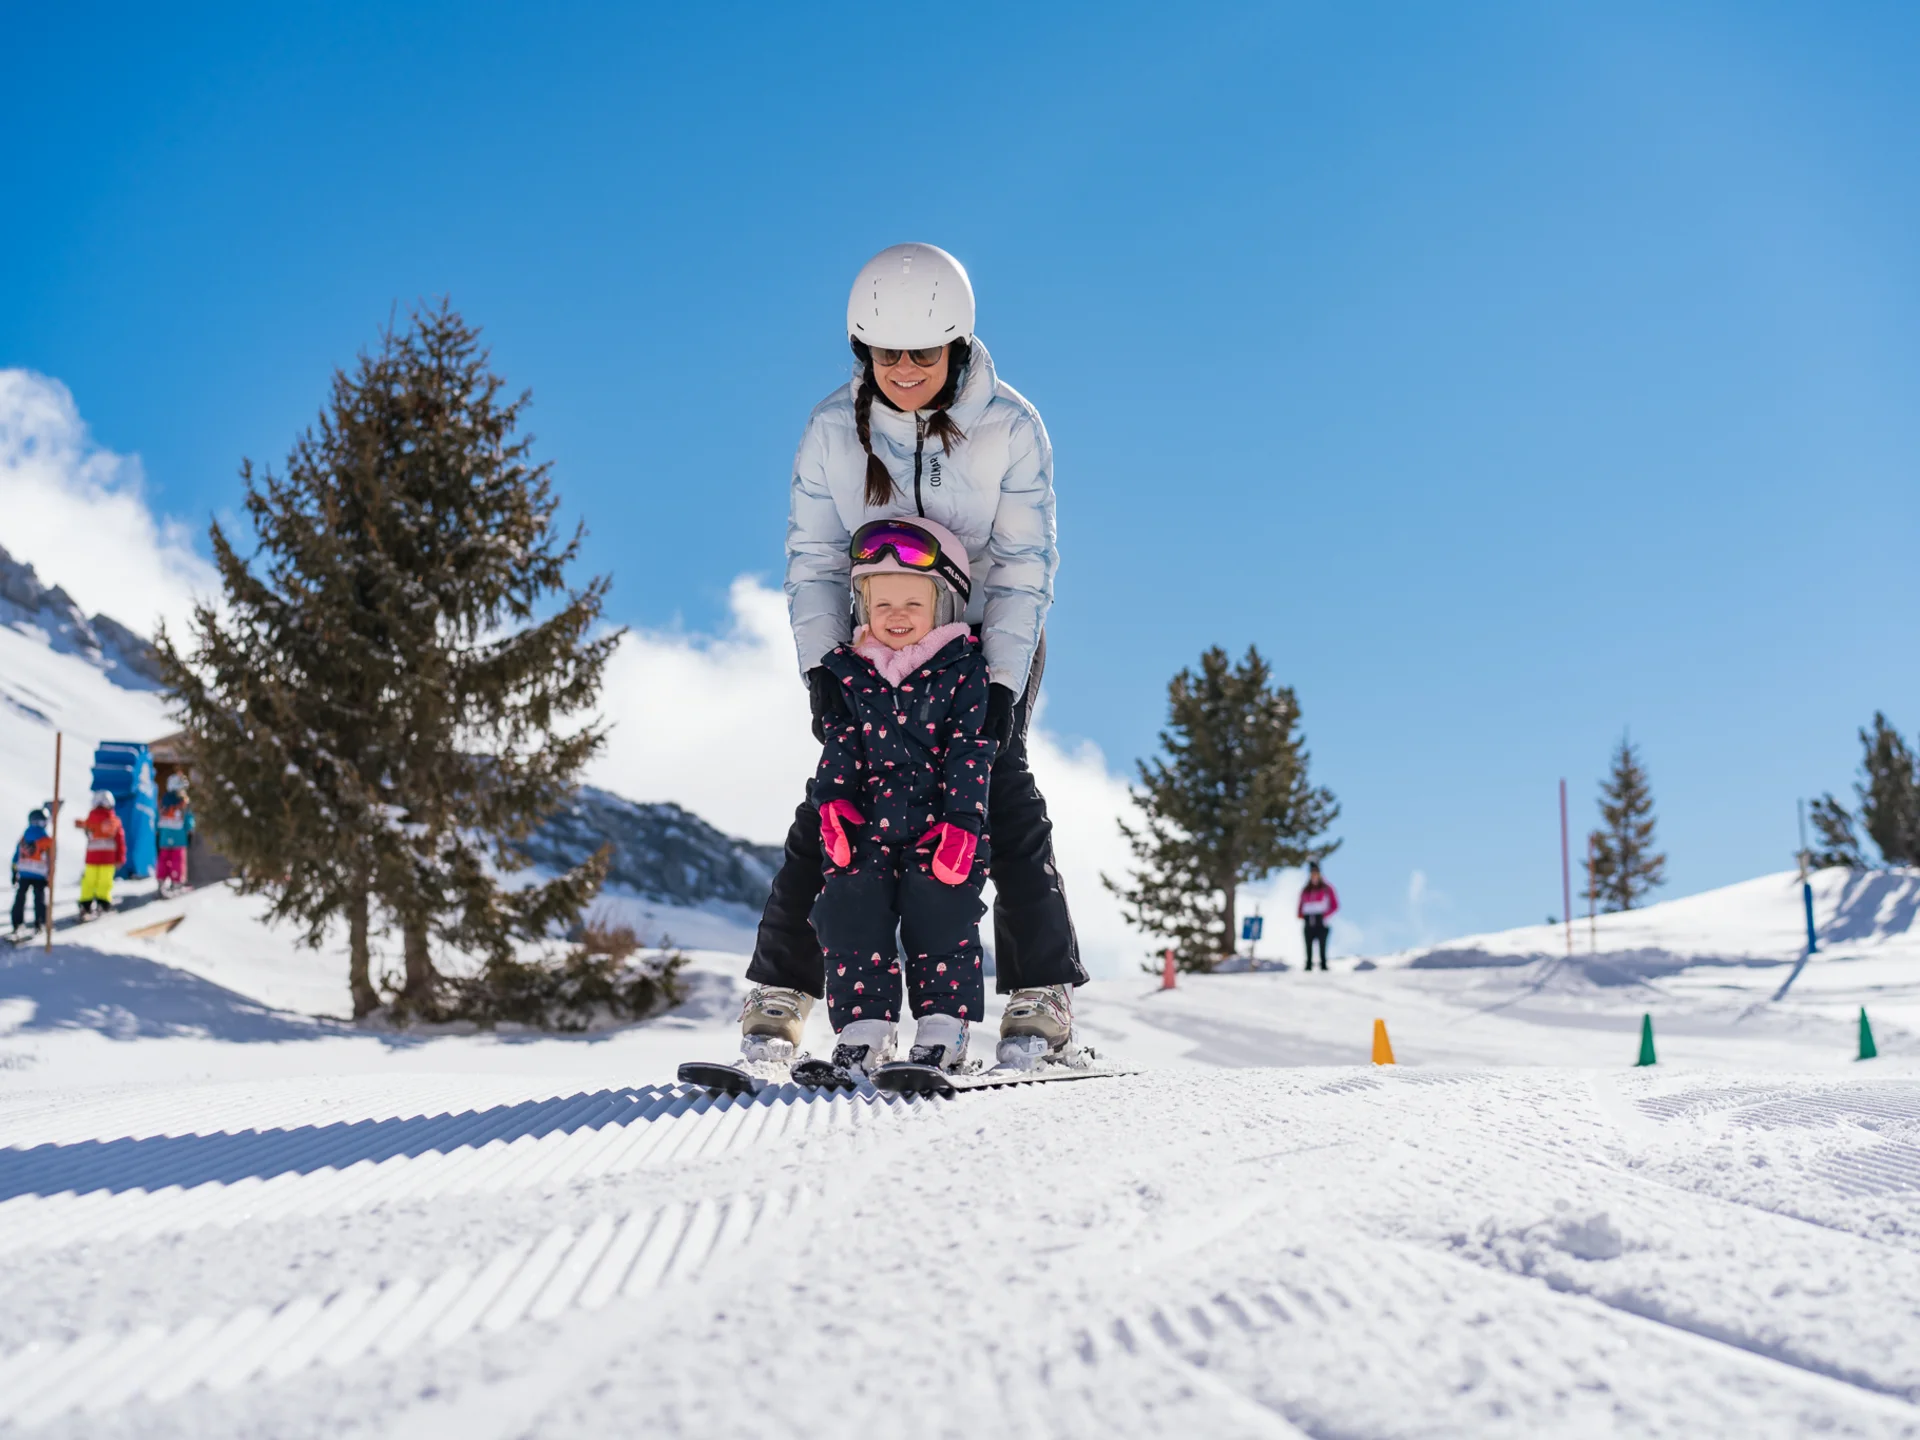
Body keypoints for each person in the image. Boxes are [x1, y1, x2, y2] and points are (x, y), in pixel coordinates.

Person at [742, 242, 1086, 1066]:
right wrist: (821, 662)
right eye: (887, 353)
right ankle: (783, 992)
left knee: (1000, 793)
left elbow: (1022, 567)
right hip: (872, 642)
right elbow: (817, 557)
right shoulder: (833, 429)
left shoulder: (1010, 428)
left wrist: (1001, 682)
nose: (904, 369)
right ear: (864, 350)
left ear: (956, 346)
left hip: (984, 641)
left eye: (923, 353)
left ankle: (1043, 995)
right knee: (835, 801)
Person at [803, 516, 996, 1080]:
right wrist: (833, 806)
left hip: (941, 827)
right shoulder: (849, 672)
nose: (896, 616)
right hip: (866, 825)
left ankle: (943, 1027)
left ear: (944, 607)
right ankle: (863, 1030)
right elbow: (839, 743)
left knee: (941, 916)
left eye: (912, 603)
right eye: (882, 604)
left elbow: (971, 748)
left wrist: (964, 822)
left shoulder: (962, 671)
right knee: (849, 913)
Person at [76, 789, 126, 917]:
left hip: (92, 857)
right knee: (105, 882)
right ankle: (103, 904)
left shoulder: (91, 818)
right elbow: (120, 840)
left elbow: (83, 826)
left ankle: (85, 904)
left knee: (89, 881)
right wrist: (120, 858)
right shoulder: (114, 821)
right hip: (108, 858)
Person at [10, 808, 52, 939]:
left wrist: (14, 871)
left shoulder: (24, 837)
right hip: (40, 875)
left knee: (20, 898)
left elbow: (16, 856)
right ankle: (40, 922)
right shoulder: (46, 839)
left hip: (24, 874)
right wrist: (50, 875)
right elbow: (51, 859)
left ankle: (17, 923)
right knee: (39, 899)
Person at [156, 775, 194, 895]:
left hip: (164, 838)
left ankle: (161, 882)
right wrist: (190, 830)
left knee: (163, 860)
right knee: (177, 860)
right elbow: (188, 819)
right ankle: (177, 882)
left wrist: (158, 832)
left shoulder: (163, 801)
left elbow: (157, 819)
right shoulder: (184, 803)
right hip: (179, 838)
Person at [1297, 862, 1338, 971]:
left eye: (1316, 873)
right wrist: (1301, 914)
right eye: (1312, 873)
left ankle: (1323, 965)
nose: (1314, 876)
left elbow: (1334, 905)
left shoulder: (1326, 889)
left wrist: (1325, 915)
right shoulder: (1306, 890)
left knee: (1322, 945)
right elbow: (1300, 904)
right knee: (1308, 945)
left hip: (1321, 920)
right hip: (1308, 919)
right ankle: (1308, 965)